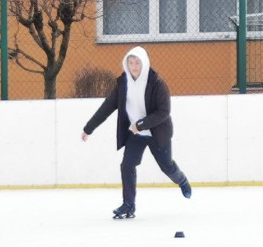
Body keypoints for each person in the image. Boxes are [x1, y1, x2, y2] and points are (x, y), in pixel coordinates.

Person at [82, 46, 192, 219]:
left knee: (167, 166)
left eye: (137, 63)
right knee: (127, 165)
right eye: (130, 63)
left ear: (145, 63)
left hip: (157, 133)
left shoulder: (157, 83)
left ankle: (182, 181)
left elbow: (164, 112)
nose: (134, 66)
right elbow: (107, 106)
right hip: (136, 135)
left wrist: (140, 124)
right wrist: (89, 128)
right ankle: (129, 206)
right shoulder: (123, 83)